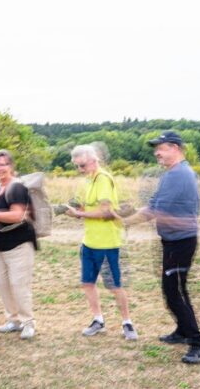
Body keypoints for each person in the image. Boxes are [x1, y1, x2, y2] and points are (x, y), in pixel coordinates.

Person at [124, 131, 200, 364]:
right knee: (176, 290)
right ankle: (182, 331)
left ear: (175, 148)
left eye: (161, 148)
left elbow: (155, 211)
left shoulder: (178, 175)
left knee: (174, 293)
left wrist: (124, 221)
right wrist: (128, 216)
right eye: (156, 149)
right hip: (174, 241)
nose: (157, 153)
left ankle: (197, 344)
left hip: (180, 242)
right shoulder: (173, 173)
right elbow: (153, 204)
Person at [64, 144, 138, 341]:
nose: (80, 170)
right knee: (88, 283)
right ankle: (98, 320)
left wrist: (80, 214)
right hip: (89, 242)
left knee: (114, 286)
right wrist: (76, 210)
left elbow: (105, 212)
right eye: (77, 166)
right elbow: (89, 208)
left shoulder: (103, 178)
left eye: (82, 165)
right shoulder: (89, 180)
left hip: (107, 243)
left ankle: (127, 323)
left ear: (94, 160)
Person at [0, 150, 37, 340]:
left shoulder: (16, 187)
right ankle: (13, 320)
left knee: (19, 286)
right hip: (1, 245)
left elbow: (17, 215)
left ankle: (28, 323)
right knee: (4, 285)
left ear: (11, 166)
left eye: (3, 164)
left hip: (20, 244)